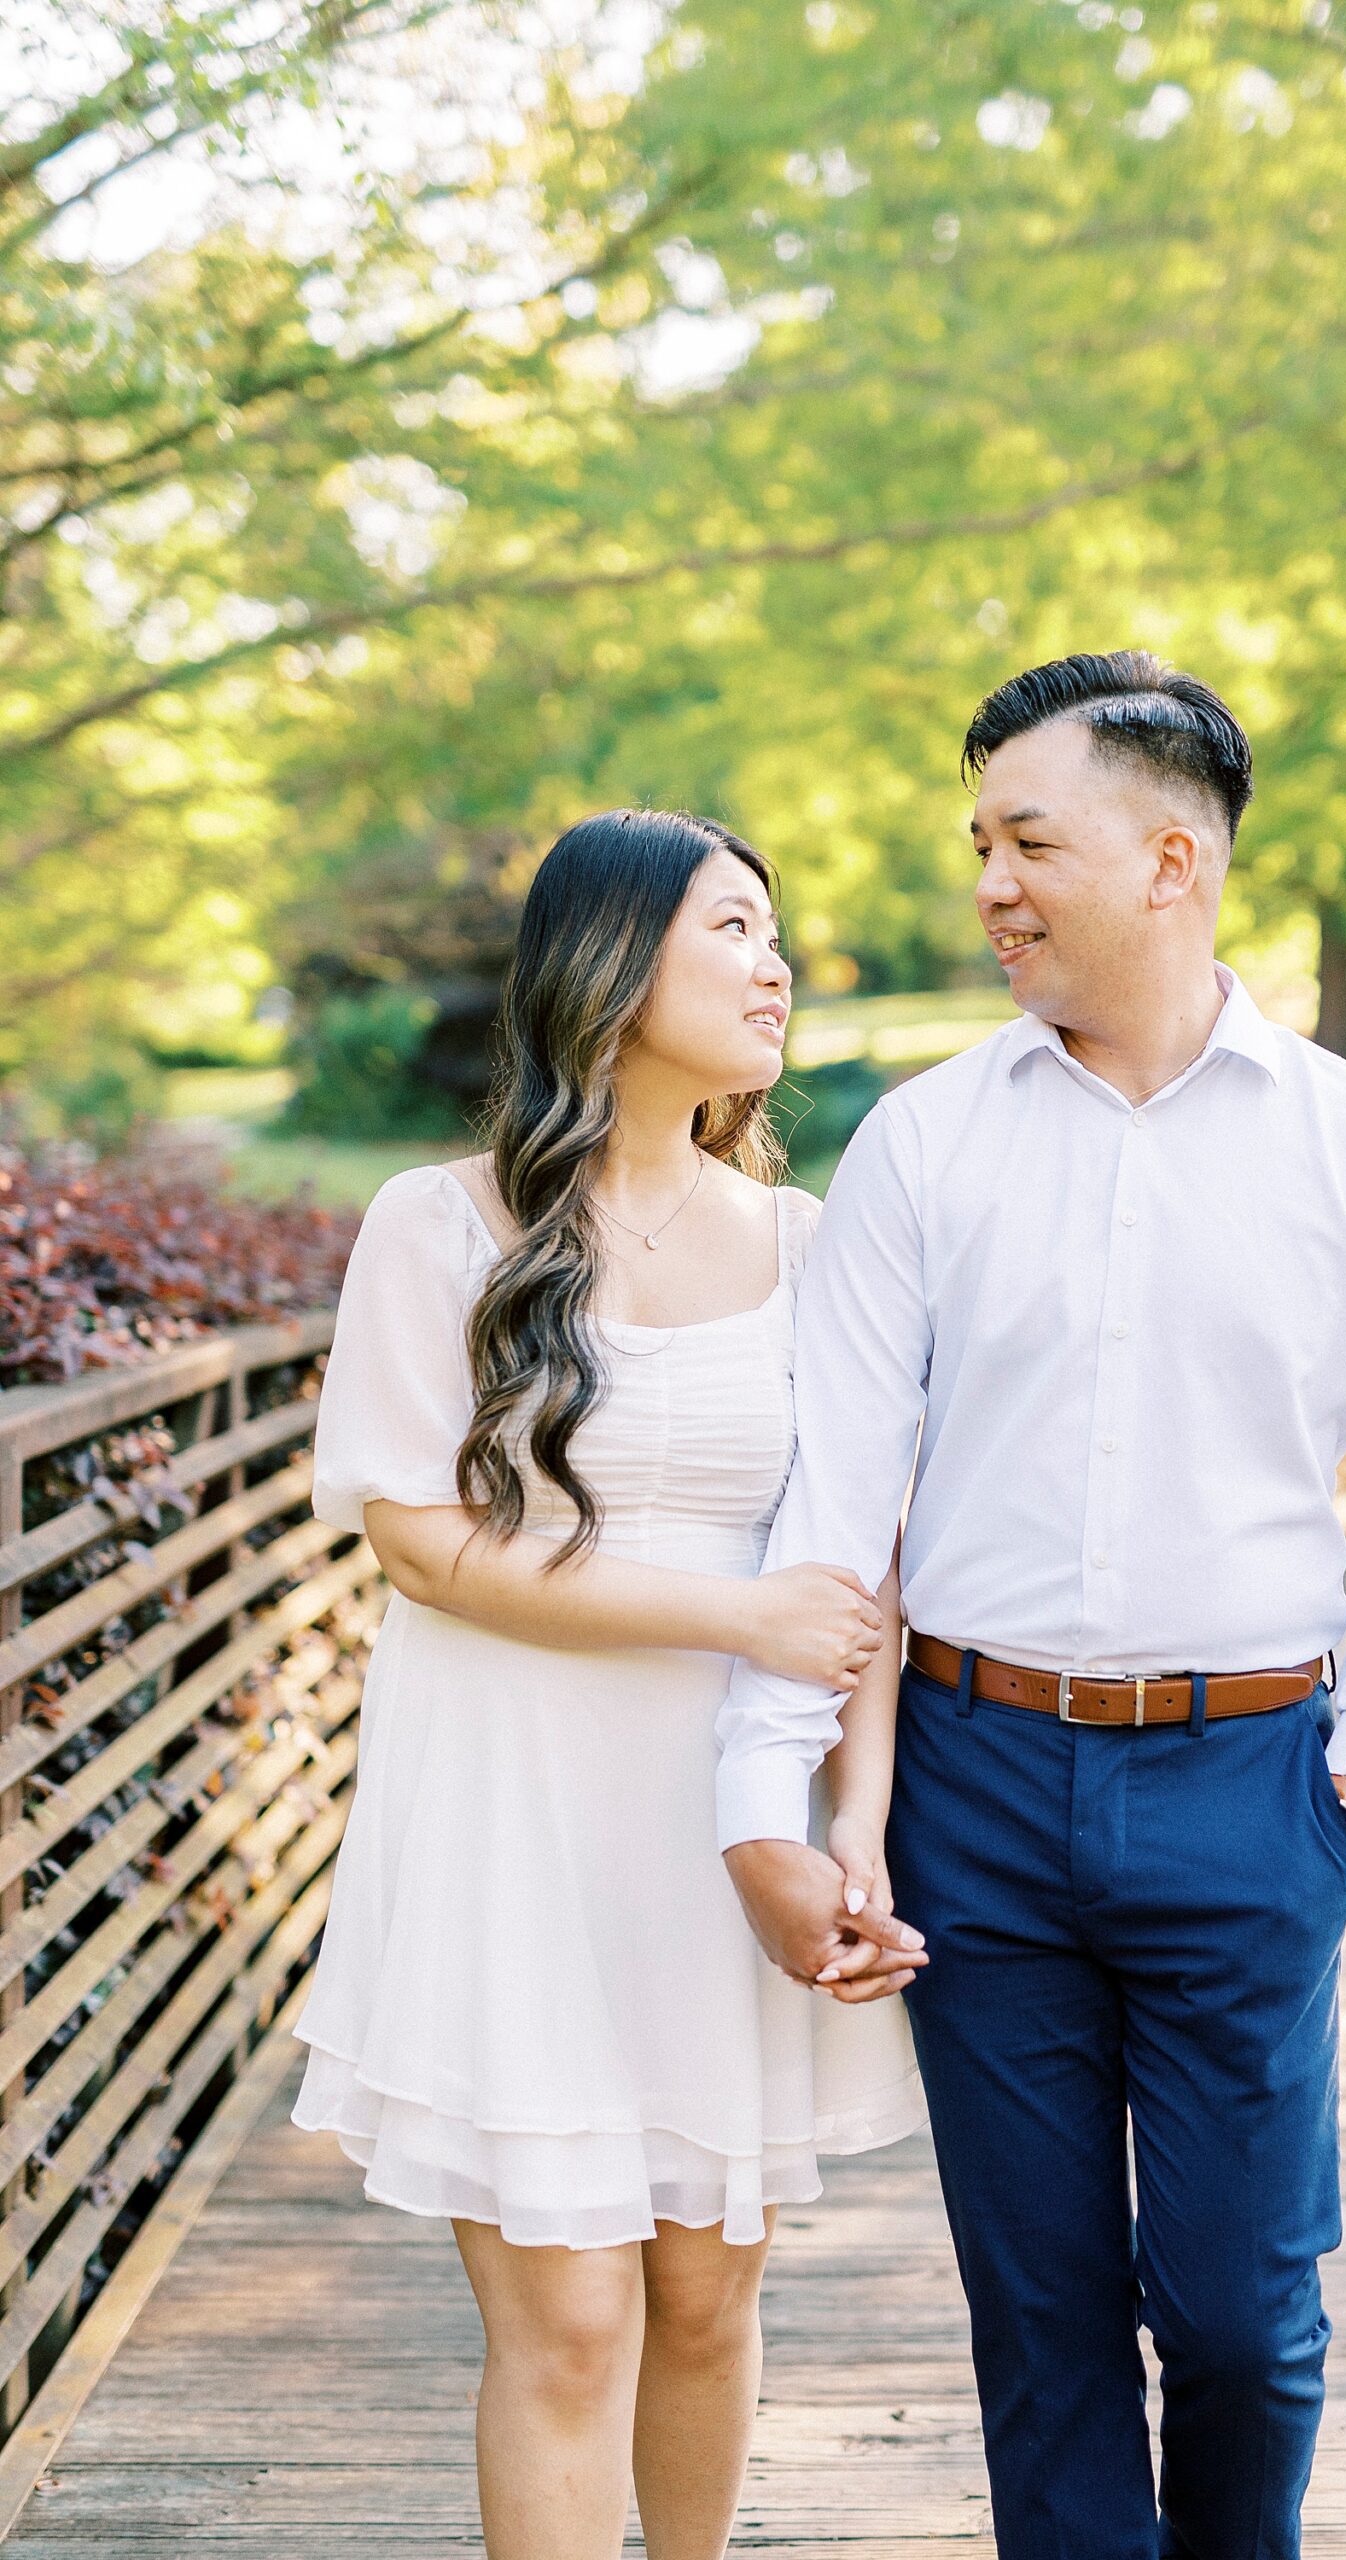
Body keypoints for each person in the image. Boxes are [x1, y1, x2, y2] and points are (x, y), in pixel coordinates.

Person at [715, 654, 1346, 2560]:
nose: (987, 880)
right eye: (978, 840)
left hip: (1258, 1782)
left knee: (1239, 2319)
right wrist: (784, 1797)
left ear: (1171, 858)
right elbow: (838, 1502)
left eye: (1026, 840)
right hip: (977, 1789)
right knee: (1043, 2323)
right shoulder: (920, 1143)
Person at [295, 809, 924, 2560]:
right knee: (568, 2326)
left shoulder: (811, 1245)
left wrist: (857, 1831)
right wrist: (732, 1620)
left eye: (775, 930)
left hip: (730, 1828)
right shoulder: (439, 1228)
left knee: (710, 2307)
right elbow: (420, 1545)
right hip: (515, 1819)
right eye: (735, 927)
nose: (777, 963)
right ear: (613, 961)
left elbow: (863, 1572)